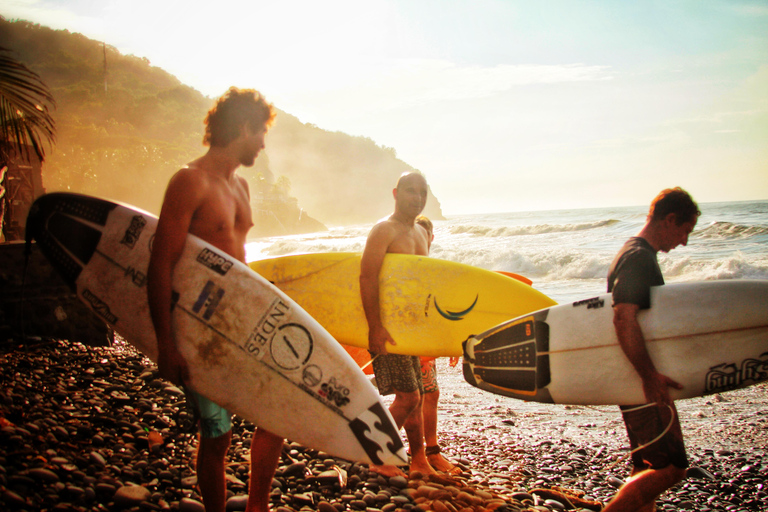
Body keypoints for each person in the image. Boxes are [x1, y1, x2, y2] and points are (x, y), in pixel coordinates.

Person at [147, 87, 284, 512]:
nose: (263, 142)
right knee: (217, 432)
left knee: (278, 415)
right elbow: (160, 264)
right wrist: (165, 345)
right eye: (260, 131)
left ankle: (257, 506)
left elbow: (237, 260)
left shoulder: (240, 186)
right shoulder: (190, 181)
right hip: (200, 328)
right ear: (242, 127)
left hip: (242, 321)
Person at [602, 187, 700, 512]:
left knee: (645, 467)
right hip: (641, 377)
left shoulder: (634, 252)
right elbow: (623, 317)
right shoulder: (638, 258)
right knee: (670, 468)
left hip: (634, 375)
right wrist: (648, 376)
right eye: (685, 230)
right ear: (670, 219)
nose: (684, 241)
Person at [360, 172, 437, 478]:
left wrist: (432, 337)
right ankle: (376, 455)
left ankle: (419, 461)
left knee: (416, 397)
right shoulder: (384, 230)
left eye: (422, 192)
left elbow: (423, 287)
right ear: (395, 193)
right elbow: (367, 277)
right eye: (410, 191)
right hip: (388, 329)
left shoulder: (420, 233)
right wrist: (374, 326)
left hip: (411, 330)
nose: (416, 198)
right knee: (409, 397)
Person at [414, 215, 461, 475]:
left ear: (431, 238)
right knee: (424, 397)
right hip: (415, 345)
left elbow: (442, 311)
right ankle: (428, 453)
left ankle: (415, 451)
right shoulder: (416, 268)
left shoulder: (430, 269)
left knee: (420, 398)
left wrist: (452, 345)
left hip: (424, 345)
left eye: (423, 235)